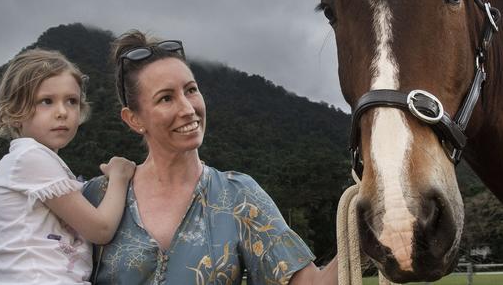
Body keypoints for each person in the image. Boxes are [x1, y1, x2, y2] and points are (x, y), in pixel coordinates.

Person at [82, 31, 338, 284]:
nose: (187, 108)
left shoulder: (239, 197)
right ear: (134, 119)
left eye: (191, 90)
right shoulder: (96, 198)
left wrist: (363, 223)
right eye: (166, 98)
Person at [0, 49, 136, 284]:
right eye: (46, 101)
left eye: (72, 101)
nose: (62, 112)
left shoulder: (35, 161)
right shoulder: (29, 158)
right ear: (15, 111)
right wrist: (119, 176)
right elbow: (101, 229)